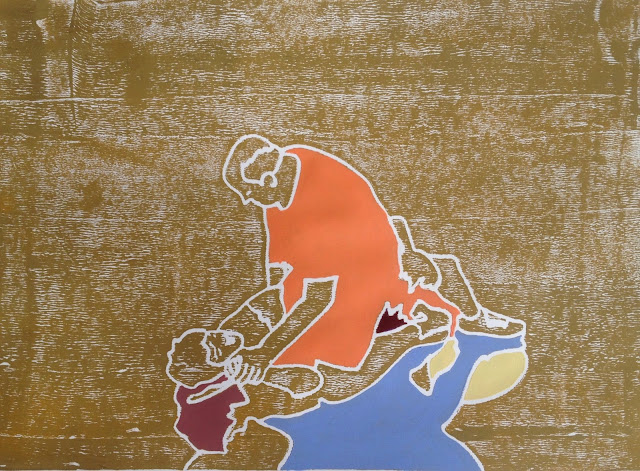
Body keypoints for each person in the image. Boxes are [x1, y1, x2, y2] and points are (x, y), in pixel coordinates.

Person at [222, 134, 515, 369]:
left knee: (317, 357)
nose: (248, 201)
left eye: (249, 192)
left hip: (362, 280)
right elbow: (279, 273)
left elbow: (317, 298)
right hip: (334, 277)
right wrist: (241, 327)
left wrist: (265, 352)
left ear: (269, 180)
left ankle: (464, 319)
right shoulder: (283, 176)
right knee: (282, 324)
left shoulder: (323, 191)